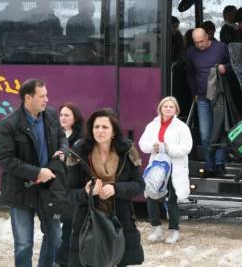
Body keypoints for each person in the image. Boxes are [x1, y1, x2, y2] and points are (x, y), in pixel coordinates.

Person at [0, 78, 68, 267]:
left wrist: (63, 151)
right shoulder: (8, 124)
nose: (46, 99)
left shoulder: (51, 115)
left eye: (46, 95)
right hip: (21, 190)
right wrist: (36, 172)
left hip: (50, 189)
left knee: (56, 237)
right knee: (23, 244)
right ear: (28, 98)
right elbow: (6, 160)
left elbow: (62, 138)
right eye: (42, 96)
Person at [67, 108, 145, 266]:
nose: (100, 131)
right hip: (88, 222)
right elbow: (69, 192)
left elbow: (139, 185)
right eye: (96, 127)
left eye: (105, 127)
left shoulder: (127, 151)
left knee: (120, 260)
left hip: (121, 220)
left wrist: (116, 189)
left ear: (114, 131)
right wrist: (86, 192)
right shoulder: (79, 152)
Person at [139, 96, 192, 244]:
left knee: (172, 199)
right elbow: (143, 144)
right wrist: (153, 146)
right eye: (165, 106)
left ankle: (174, 231)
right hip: (157, 168)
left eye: (171, 107)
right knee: (151, 197)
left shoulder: (182, 127)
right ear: (160, 109)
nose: (168, 109)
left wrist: (169, 149)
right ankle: (156, 229)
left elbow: (187, 147)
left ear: (176, 109)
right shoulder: (152, 125)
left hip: (174, 169)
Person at [186, 28, 230, 177]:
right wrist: (194, 93)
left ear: (207, 36)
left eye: (202, 41)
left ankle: (219, 164)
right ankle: (210, 165)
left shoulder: (221, 47)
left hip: (219, 95)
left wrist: (226, 68)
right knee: (205, 134)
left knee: (220, 130)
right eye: (196, 42)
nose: (200, 45)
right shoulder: (191, 53)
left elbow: (235, 64)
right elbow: (190, 75)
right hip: (202, 97)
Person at [55, 102, 85, 267]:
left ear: (75, 117)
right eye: (61, 115)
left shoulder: (81, 138)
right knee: (56, 229)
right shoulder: (56, 134)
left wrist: (66, 158)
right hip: (56, 187)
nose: (63, 118)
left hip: (73, 187)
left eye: (67, 115)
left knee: (69, 227)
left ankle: (64, 261)